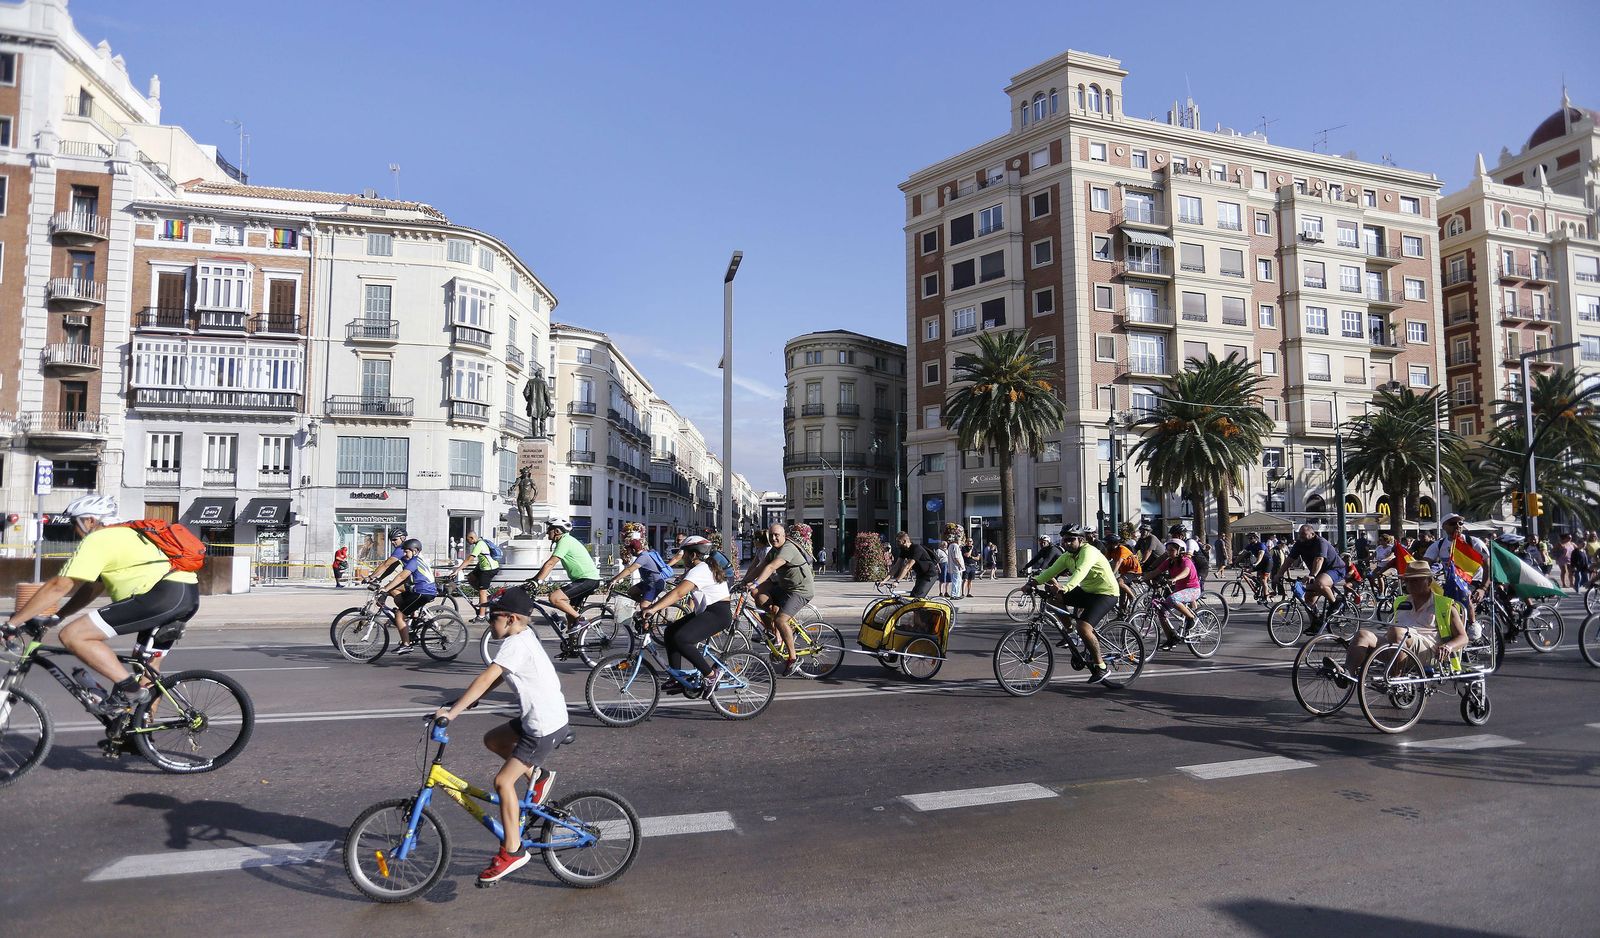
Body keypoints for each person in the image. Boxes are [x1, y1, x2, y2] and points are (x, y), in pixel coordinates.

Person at [3, 495, 201, 714]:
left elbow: (59, 585)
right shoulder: (128, 534)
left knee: (73, 635)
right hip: (185, 594)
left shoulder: (99, 538)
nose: (73, 530)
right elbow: (92, 589)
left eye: (73, 523)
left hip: (161, 597)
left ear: (89, 520)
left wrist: (13, 623)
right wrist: (58, 616)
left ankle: (129, 690)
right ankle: (139, 736)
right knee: (145, 669)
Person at [433, 587, 568, 884]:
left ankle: (513, 851)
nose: (489, 623)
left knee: (503, 781)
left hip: (542, 726)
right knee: (494, 740)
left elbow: (486, 676)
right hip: (544, 718)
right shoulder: (522, 637)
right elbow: (501, 676)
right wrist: (471, 700)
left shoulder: (515, 644)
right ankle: (539, 776)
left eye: (493, 617)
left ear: (510, 618)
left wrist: (452, 712)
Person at [1339, 559, 1468, 684]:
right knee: (1362, 634)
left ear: (1429, 581)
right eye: (1408, 580)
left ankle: (1396, 677)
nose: (1410, 584)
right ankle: (1346, 674)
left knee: (1398, 631)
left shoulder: (1444, 604)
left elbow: (1463, 637)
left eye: (1416, 580)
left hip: (1429, 652)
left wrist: (1448, 646)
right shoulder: (1400, 601)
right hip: (1397, 645)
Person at [639, 539, 733, 695]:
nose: (682, 557)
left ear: (693, 554)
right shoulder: (703, 567)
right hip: (708, 611)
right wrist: (653, 607)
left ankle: (711, 675)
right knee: (670, 632)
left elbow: (678, 593)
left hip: (718, 613)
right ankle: (677, 678)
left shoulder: (701, 570)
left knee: (682, 639)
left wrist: (653, 609)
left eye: (684, 554)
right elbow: (675, 591)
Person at [1029, 524, 1118, 683]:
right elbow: (1051, 571)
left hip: (1106, 593)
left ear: (1081, 540)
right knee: (1052, 599)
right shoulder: (1068, 556)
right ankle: (1071, 633)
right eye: (1064, 540)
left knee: (1084, 627)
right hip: (1088, 591)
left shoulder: (1089, 551)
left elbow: (1080, 572)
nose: (1066, 543)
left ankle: (1101, 667)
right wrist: (1033, 582)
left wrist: (1066, 588)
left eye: (1070, 540)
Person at [742, 523, 816, 675]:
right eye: (771, 535)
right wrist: (743, 582)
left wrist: (755, 582)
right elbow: (759, 567)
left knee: (781, 620)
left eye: (777, 535)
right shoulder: (773, 550)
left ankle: (793, 658)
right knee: (759, 596)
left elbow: (770, 568)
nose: (774, 538)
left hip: (800, 590)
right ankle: (772, 632)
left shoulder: (788, 548)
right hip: (785, 588)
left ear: (784, 536)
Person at [529, 518, 602, 642]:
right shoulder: (566, 540)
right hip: (584, 579)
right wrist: (535, 579)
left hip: (587, 579)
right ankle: (573, 644)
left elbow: (551, 563)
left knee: (554, 598)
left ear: (557, 531)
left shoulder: (565, 541)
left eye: (549, 530)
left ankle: (581, 620)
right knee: (570, 613)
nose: (547, 533)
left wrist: (538, 581)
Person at [1423, 514, 1489, 634]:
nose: (1458, 526)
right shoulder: (1439, 545)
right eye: (1453, 523)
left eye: (1460, 523)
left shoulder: (1473, 542)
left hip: (1473, 581)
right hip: (1452, 582)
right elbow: (1424, 564)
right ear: (1444, 527)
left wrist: (1483, 588)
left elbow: (1489, 566)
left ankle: (1472, 625)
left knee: (1463, 593)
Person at [377, 538, 437, 654]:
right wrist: (388, 588)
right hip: (421, 590)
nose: (404, 554)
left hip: (423, 592)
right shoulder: (418, 560)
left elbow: (401, 577)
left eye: (406, 552)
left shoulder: (413, 562)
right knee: (401, 602)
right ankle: (412, 623)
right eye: (403, 551)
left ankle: (406, 645)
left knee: (399, 615)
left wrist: (385, 588)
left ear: (415, 551)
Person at [1288, 524, 1347, 631]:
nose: (1301, 536)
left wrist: (1312, 575)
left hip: (1335, 569)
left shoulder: (1321, 542)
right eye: (1299, 534)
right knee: (1308, 599)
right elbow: (1289, 560)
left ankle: (1335, 603)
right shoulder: (1299, 544)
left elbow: (1319, 559)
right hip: (1318, 572)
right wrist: (1278, 575)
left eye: (1304, 534)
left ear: (1312, 534)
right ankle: (1315, 624)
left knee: (1320, 583)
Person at [1144, 538, 1202, 648]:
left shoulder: (1186, 560)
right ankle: (1172, 638)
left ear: (1180, 551)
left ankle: (1191, 618)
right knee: (1161, 612)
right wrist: (1142, 578)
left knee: (1173, 598)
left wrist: (1175, 578)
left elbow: (1186, 572)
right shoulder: (1169, 562)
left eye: (1172, 550)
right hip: (1179, 591)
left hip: (1193, 590)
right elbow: (1155, 572)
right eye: (1168, 550)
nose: (1169, 552)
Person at [607, 532, 674, 604]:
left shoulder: (643, 557)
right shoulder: (643, 555)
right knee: (631, 592)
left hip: (654, 583)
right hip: (647, 582)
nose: (628, 552)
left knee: (644, 606)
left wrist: (615, 580)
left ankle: (649, 606)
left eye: (629, 550)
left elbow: (629, 570)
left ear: (633, 550)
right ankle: (651, 604)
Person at [450, 531, 500, 618]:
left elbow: (469, 559)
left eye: (468, 539)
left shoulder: (479, 544)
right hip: (482, 567)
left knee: (482, 591)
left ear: (472, 538)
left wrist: (457, 570)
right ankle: (486, 596)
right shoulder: (480, 543)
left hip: (489, 569)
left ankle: (481, 616)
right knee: (471, 577)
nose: (467, 542)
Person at [882, 531, 939, 598]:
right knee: (912, 597)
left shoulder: (916, 548)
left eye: (898, 541)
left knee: (918, 596)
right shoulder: (904, 550)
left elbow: (907, 566)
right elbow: (896, 566)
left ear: (904, 541)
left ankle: (924, 608)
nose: (897, 544)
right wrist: (884, 580)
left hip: (929, 574)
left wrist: (897, 581)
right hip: (920, 575)